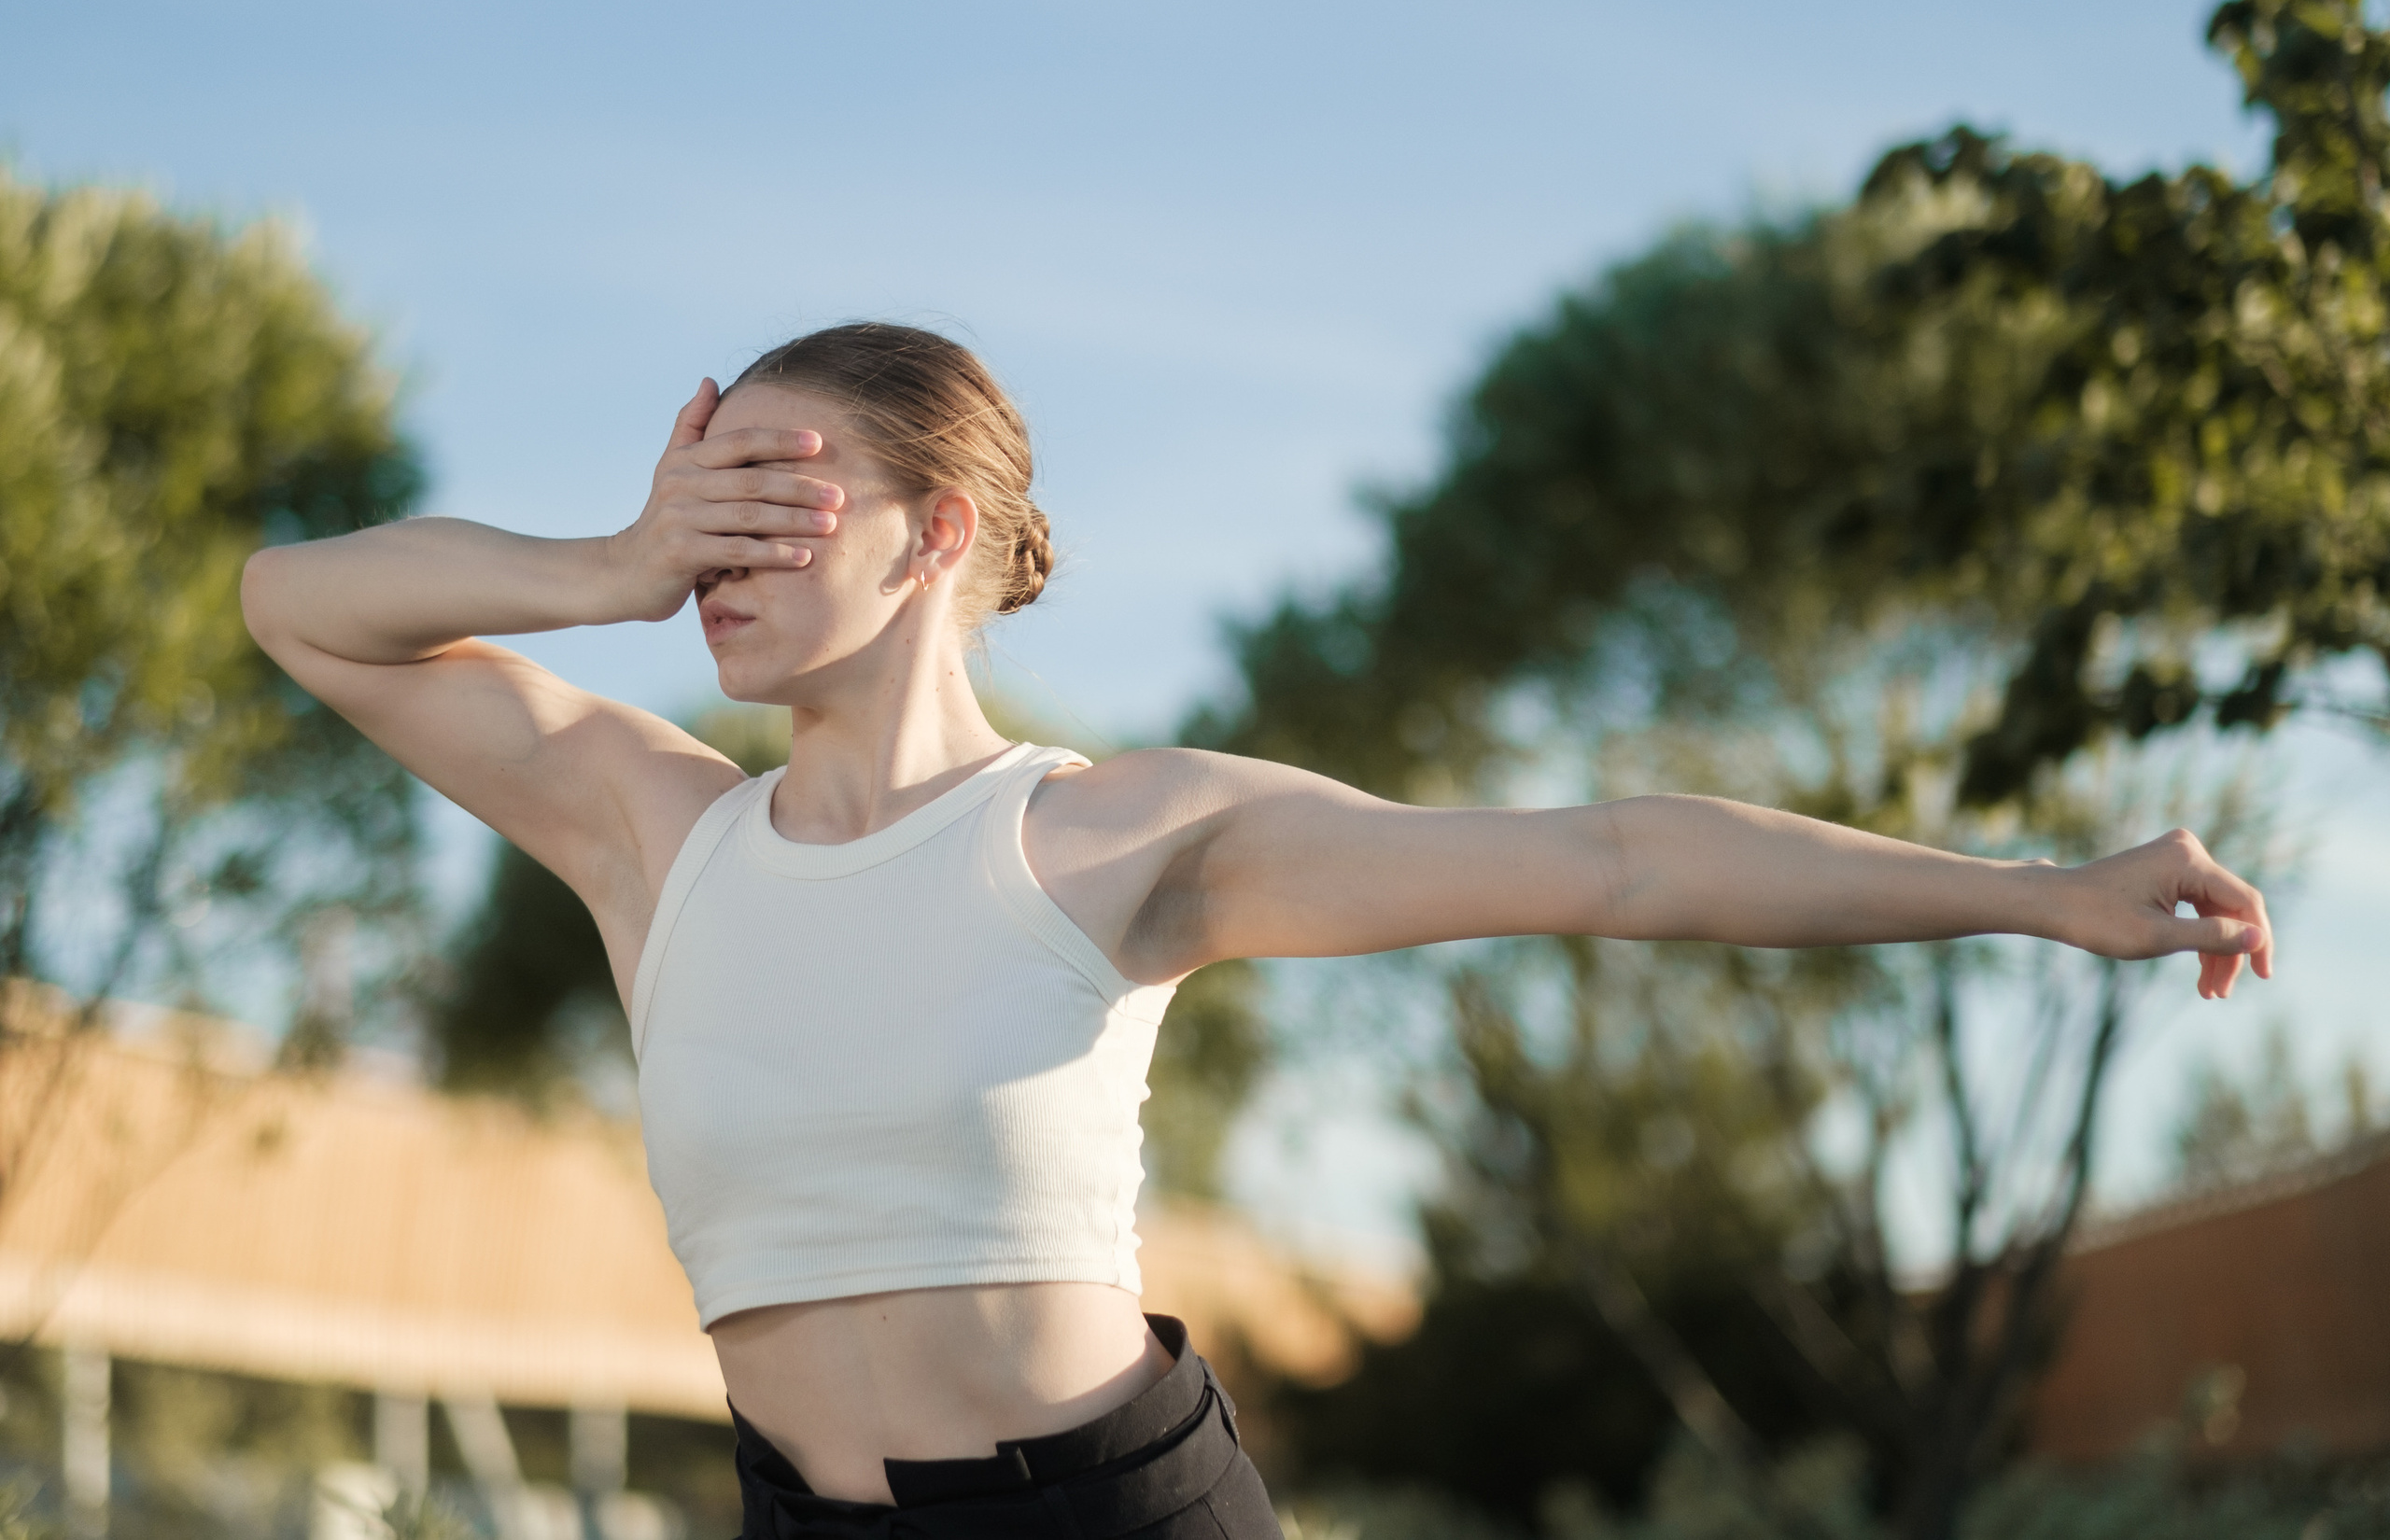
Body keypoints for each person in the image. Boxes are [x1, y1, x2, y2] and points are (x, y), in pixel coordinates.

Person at [241, 322, 2272, 1539]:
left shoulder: (1121, 834)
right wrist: (606, 563)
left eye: (778, 493)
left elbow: (1616, 863)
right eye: (701, 489)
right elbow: (294, 602)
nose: (715, 548)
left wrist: (2035, 893)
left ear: (936, 532)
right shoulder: (648, 825)